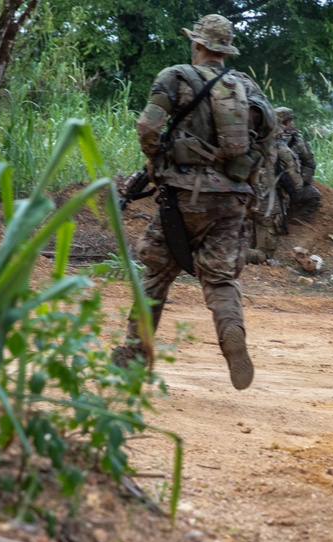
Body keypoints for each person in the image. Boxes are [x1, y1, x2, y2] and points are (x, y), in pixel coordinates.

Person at [112, 14, 277, 390]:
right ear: (225, 51)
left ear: (198, 45)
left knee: (155, 275)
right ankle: (232, 332)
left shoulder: (175, 77)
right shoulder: (248, 86)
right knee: (220, 279)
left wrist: (159, 160)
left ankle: (135, 360)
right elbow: (270, 138)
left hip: (181, 197)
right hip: (233, 198)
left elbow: (148, 126)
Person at [245, 122, 302, 265]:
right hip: (269, 207)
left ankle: (229, 251)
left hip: (245, 202)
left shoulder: (247, 146)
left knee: (246, 239)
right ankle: (232, 254)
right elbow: (297, 184)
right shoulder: (283, 151)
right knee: (265, 254)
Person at [276, 107, 321, 224]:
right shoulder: (297, 142)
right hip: (286, 188)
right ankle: (301, 217)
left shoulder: (262, 139)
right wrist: (301, 183)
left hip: (268, 188)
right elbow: (310, 164)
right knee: (314, 195)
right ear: (287, 122)